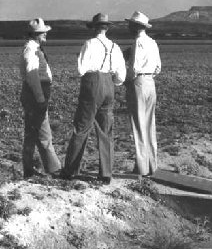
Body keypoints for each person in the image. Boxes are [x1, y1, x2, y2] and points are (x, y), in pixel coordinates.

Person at [60, 13, 126, 185]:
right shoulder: (115, 46)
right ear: (107, 28)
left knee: (82, 126)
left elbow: (81, 69)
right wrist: (112, 81)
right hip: (109, 84)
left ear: (95, 27)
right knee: (106, 130)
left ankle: (70, 170)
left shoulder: (89, 44)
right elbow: (121, 76)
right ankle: (106, 173)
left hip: (92, 83)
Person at [19, 18, 62, 179]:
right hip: (35, 94)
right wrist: (40, 98)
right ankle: (53, 169)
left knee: (32, 132)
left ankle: (29, 169)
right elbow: (32, 76)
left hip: (35, 94)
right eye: (43, 32)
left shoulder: (35, 48)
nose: (45, 34)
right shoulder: (31, 50)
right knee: (43, 133)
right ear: (36, 34)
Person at [123, 11, 162, 176]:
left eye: (131, 24)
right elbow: (158, 67)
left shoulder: (137, 42)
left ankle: (141, 167)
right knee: (149, 124)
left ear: (135, 26)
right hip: (150, 83)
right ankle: (152, 165)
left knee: (138, 126)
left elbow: (133, 68)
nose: (129, 27)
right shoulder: (153, 42)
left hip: (138, 82)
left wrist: (127, 81)